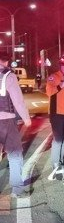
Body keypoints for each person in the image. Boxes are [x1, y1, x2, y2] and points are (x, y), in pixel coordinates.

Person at [0, 52, 32, 198]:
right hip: (6, 121)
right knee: (14, 153)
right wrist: (26, 118)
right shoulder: (9, 76)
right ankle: (17, 190)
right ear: (6, 62)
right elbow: (17, 100)